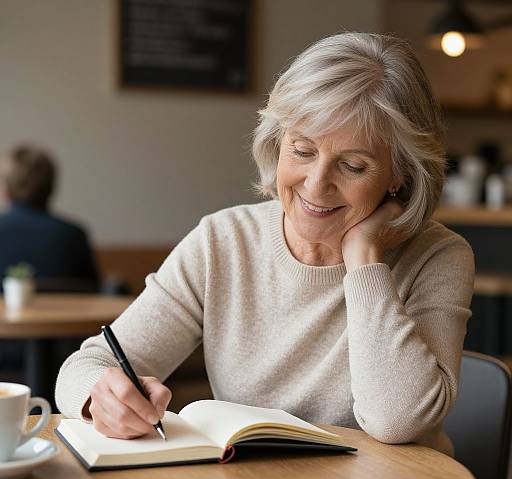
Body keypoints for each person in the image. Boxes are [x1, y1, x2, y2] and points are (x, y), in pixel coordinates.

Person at [55, 33, 474, 456]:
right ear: (278, 143)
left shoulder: (439, 257)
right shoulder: (223, 241)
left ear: (399, 175)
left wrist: (364, 261)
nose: (316, 184)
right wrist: (100, 398)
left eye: (353, 165)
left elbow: (397, 420)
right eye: (302, 150)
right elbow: (83, 368)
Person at [0, 145, 99, 374]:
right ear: (51, 187)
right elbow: (95, 294)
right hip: (68, 357)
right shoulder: (74, 235)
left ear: (6, 187)